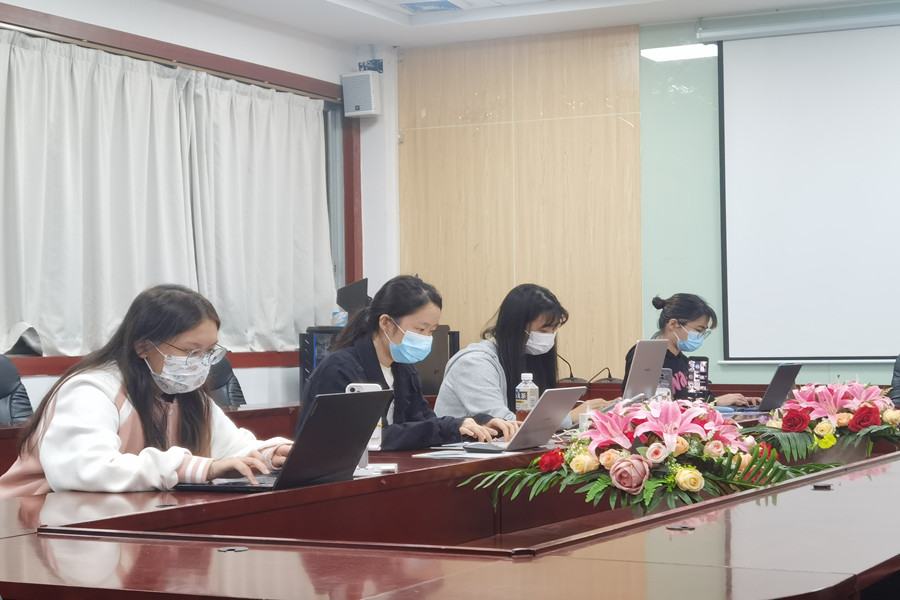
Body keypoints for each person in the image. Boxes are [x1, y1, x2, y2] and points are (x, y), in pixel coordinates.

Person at [0, 284, 292, 498]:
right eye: (191, 351)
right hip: (32, 520)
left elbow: (231, 449)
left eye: (209, 351)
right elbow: (87, 469)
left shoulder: (186, 392)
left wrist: (269, 456)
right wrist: (192, 468)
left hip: (118, 516)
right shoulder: (92, 389)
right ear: (143, 347)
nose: (201, 363)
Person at [299, 275, 514, 450]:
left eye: (431, 331)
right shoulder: (340, 369)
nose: (426, 338)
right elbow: (366, 438)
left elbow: (423, 422)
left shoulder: (404, 370)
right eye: (420, 329)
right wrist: (449, 427)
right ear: (386, 323)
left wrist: (478, 423)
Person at [434, 283, 608, 427]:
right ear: (516, 328)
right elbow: (502, 423)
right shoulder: (474, 363)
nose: (550, 336)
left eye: (554, 329)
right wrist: (570, 416)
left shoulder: (528, 358)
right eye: (543, 330)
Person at [622, 294, 760, 407]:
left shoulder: (686, 362)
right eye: (698, 330)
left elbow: (702, 399)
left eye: (703, 332)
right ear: (673, 324)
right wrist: (715, 402)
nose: (700, 336)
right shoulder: (646, 355)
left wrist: (738, 401)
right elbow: (640, 406)